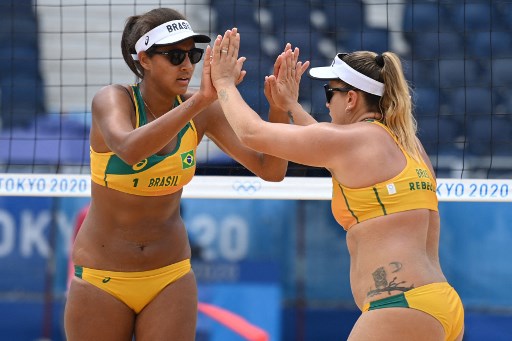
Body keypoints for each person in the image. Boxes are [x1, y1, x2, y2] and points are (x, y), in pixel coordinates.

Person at [210, 30, 464, 341]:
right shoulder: (409, 144)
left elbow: (251, 133)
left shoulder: (355, 141)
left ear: (352, 98)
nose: (327, 103)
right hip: (439, 304)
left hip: (401, 305)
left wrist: (222, 83)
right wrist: (290, 105)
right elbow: (326, 147)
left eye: (330, 92)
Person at [64, 9, 290, 340]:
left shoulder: (202, 111)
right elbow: (129, 149)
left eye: (193, 54)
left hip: (170, 275)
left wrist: (278, 108)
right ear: (144, 59)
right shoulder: (113, 100)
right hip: (102, 277)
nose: (187, 65)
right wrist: (199, 100)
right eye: (174, 55)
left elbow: (271, 170)